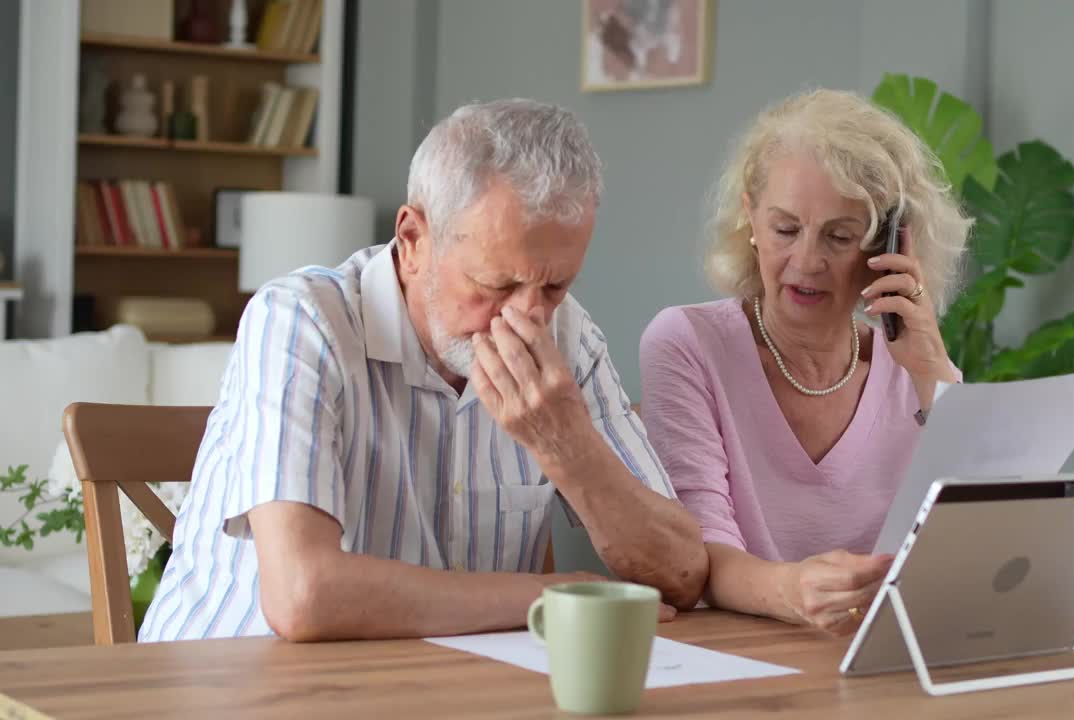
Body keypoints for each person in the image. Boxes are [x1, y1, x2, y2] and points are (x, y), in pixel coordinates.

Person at [140, 99, 708, 642]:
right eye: (496, 285)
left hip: (428, 689)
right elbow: (303, 594)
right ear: (412, 240)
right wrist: (544, 596)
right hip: (231, 687)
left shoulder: (569, 338)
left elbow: (681, 574)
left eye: (556, 285)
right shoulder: (301, 320)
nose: (529, 316)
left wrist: (569, 448)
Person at [640, 89, 968, 636]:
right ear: (750, 219)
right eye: (786, 229)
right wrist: (795, 591)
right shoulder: (687, 343)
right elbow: (698, 557)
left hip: (883, 661)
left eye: (840, 237)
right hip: (739, 658)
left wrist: (933, 371)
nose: (807, 261)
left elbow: (984, 536)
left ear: (886, 245)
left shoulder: (909, 364)